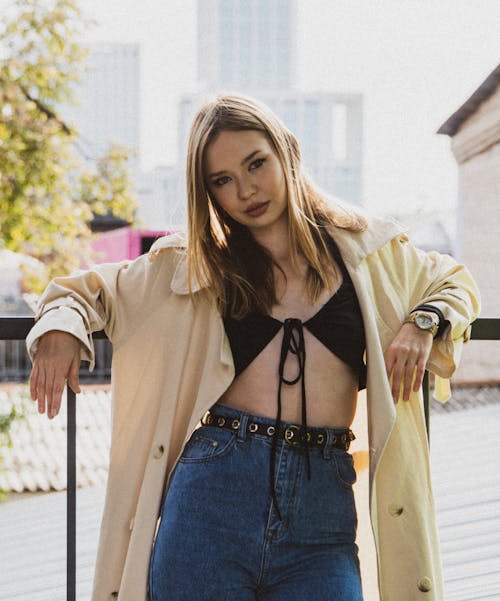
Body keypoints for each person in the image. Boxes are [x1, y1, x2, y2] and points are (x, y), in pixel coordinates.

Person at [27, 93, 480, 601]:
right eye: (222, 180)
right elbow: (84, 291)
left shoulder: (369, 253)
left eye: (256, 164)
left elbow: (454, 282)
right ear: (209, 194)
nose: (245, 190)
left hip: (322, 509)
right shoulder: (196, 266)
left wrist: (422, 322)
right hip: (212, 498)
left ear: (286, 150)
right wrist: (59, 327)